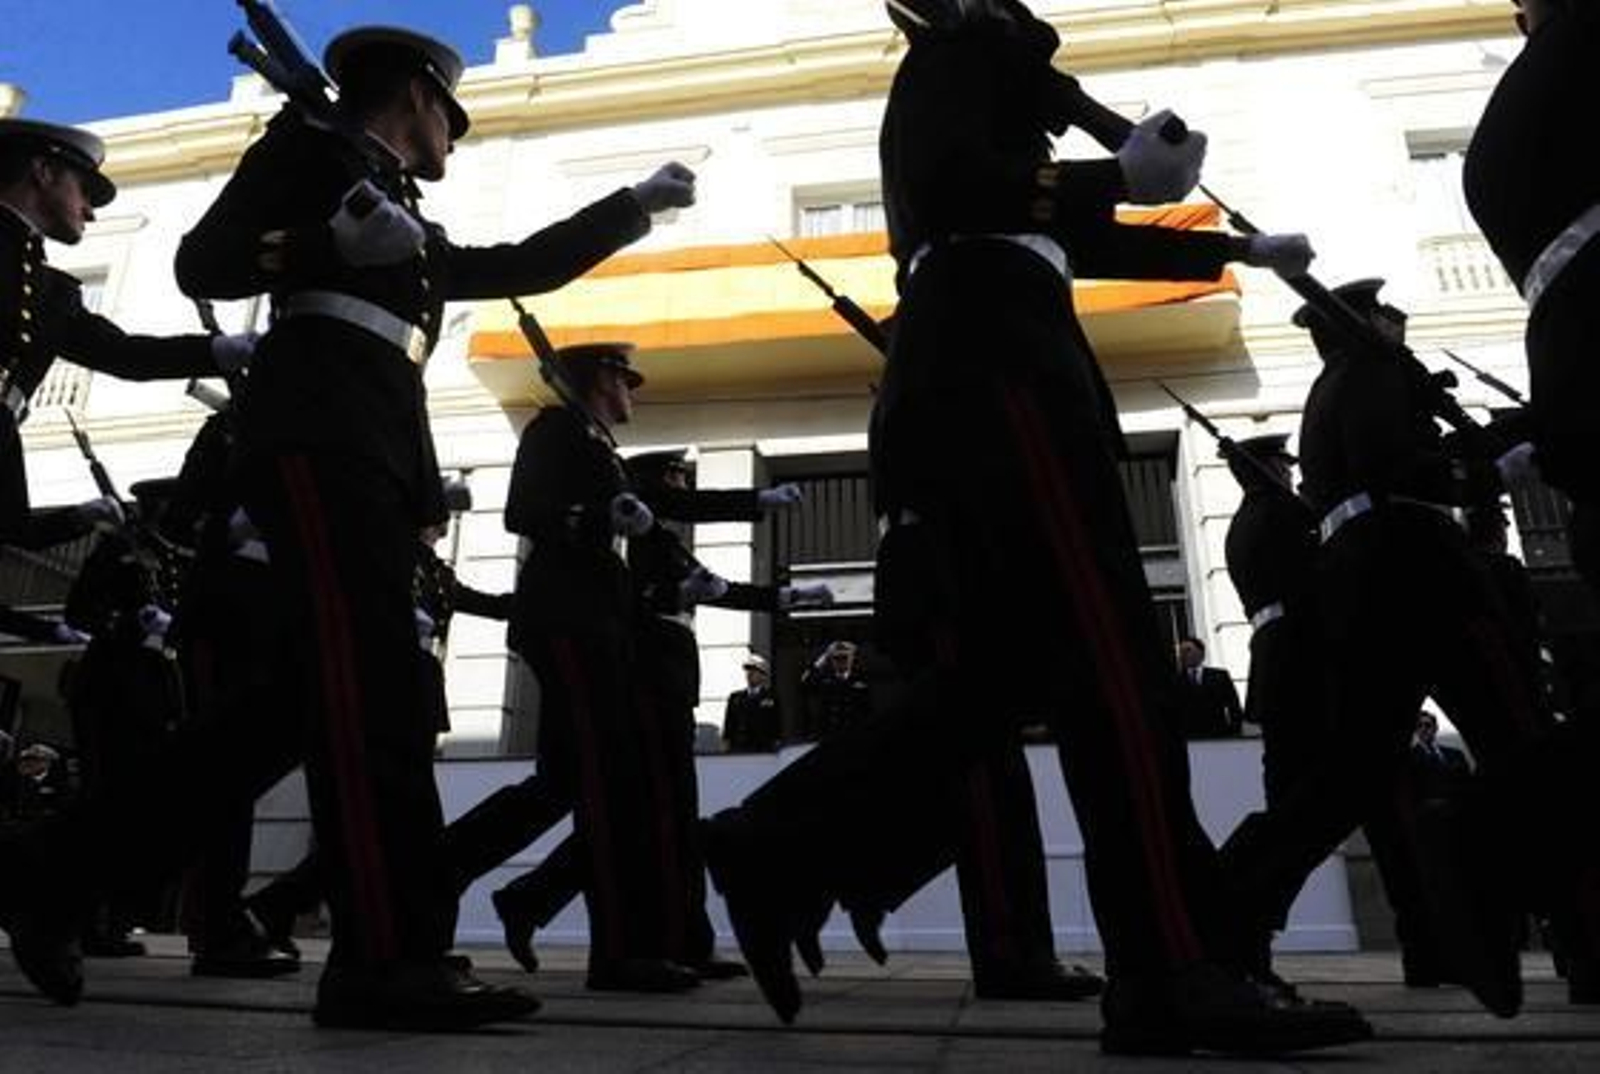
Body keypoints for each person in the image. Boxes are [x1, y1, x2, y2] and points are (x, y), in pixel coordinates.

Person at [700, 0, 1369, 1056]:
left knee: (1008, 676)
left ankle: (773, 844)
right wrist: (1116, 171)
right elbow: (963, 189)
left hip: (987, 364)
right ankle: (1169, 970)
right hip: (1001, 367)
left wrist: (1233, 250)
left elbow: (1063, 227)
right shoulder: (957, 61)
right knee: (1116, 678)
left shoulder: (994, 116)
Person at [1214, 277, 1600, 1017]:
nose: (1399, 323)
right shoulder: (1376, 373)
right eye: (1387, 315)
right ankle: (1586, 935)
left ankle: (1229, 904)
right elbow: (1410, 471)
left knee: (1351, 770)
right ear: (1363, 323)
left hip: (1364, 584)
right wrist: (1490, 469)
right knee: (1518, 738)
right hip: (1422, 567)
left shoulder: (1335, 389)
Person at [479, 447, 827, 982]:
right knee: (656, 816)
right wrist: (673, 588)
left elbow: (717, 589)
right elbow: (629, 604)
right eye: (674, 479)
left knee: (661, 817)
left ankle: (546, 902)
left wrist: (784, 598)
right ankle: (673, 937)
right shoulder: (629, 536)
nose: (683, 490)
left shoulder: (660, 539)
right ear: (651, 484)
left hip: (671, 683)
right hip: (643, 683)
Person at [0, 117, 251, 637]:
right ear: (43, 172)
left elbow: (126, 355)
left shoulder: (52, 291)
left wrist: (224, 350)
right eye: (83, 188)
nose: (90, 210)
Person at [798, 640, 872, 741]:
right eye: (836, 658)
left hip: (853, 734)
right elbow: (804, 682)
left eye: (844, 657)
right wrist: (820, 661)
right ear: (831, 660)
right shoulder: (824, 678)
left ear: (851, 659)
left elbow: (868, 709)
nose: (840, 661)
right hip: (829, 734)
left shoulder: (860, 678)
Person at [1174, 635, 1245, 739]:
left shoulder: (1220, 676)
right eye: (1181, 652)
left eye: (1188, 650)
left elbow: (1233, 705)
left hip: (1219, 735)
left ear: (1201, 653)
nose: (1183, 655)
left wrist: (1234, 731)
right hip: (1189, 737)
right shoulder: (1175, 680)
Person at [723, 654, 781, 753]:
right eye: (748, 670)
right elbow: (728, 727)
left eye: (754, 670)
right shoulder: (735, 698)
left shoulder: (772, 698)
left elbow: (777, 727)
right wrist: (727, 747)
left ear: (763, 675)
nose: (750, 673)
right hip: (739, 750)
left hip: (763, 752)